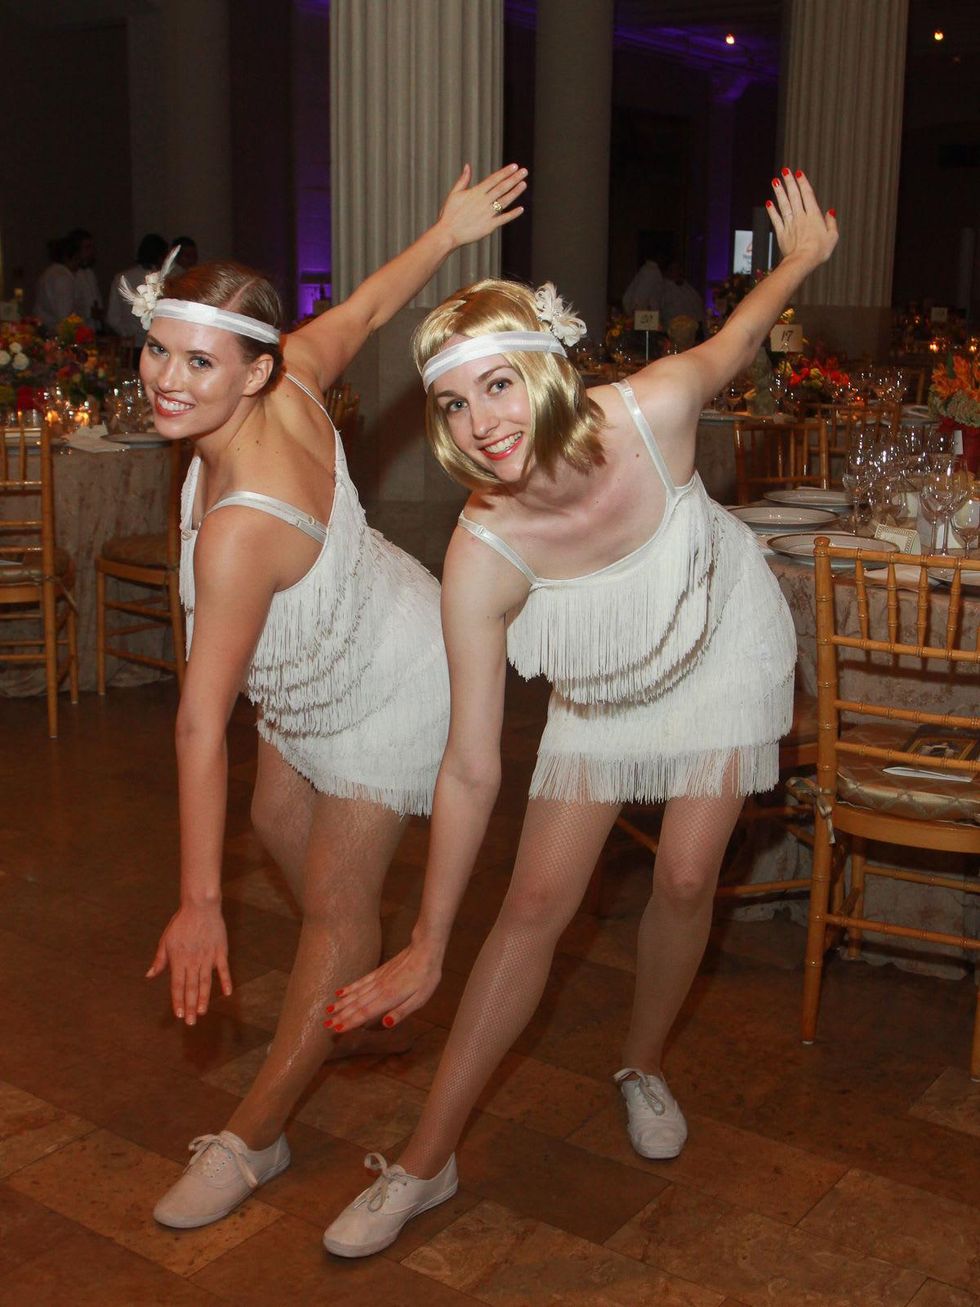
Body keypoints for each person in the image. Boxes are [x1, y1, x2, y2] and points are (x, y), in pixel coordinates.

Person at [322, 168, 838, 1257]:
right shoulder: (483, 550)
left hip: (716, 629)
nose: (481, 420)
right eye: (457, 403)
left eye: (499, 384)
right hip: (603, 682)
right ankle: (424, 1158)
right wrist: (426, 937)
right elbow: (469, 769)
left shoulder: (649, 412)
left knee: (689, 872)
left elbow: (736, 341)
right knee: (532, 907)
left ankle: (640, 1062)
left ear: (547, 370)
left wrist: (795, 260)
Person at [140, 162, 527, 1230]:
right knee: (280, 825)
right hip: (318, 669)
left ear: (254, 374)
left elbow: (194, 722)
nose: (170, 380)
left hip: (390, 686)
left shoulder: (240, 527)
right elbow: (363, 304)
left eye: (199, 363)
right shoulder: (294, 368)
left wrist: (201, 900)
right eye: (160, 349)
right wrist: (443, 231)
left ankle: (251, 1133)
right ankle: (358, 964)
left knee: (335, 904)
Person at [106, 233, 169, 353]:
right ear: (161, 256)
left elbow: (112, 318)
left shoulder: (121, 278)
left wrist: (127, 332)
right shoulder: (164, 280)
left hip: (130, 344)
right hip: (156, 345)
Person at [33, 233, 83, 328]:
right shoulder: (63, 278)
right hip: (55, 331)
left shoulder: (49, 273)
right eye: (77, 257)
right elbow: (65, 316)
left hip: (44, 327)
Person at [660, 259, 705, 339]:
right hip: (676, 332)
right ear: (667, 271)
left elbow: (698, 306)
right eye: (673, 269)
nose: (677, 271)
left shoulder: (687, 287)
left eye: (678, 268)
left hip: (694, 330)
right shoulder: (663, 289)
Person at [69, 228, 103, 329]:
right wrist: (89, 312)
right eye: (87, 248)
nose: (91, 252)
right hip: (78, 329)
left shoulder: (89, 273)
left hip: (93, 328)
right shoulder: (70, 276)